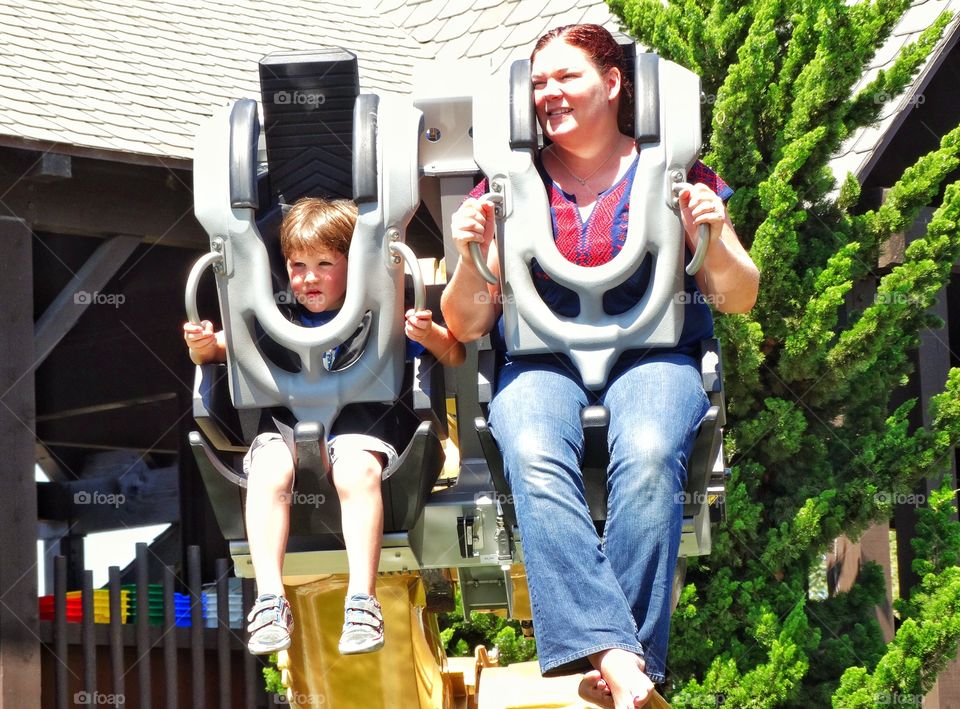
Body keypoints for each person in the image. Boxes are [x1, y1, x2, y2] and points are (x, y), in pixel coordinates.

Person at [440, 24, 759, 709]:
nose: (547, 93)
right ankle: (625, 663)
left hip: (654, 354)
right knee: (527, 444)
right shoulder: (497, 184)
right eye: (538, 83)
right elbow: (465, 324)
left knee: (647, 450)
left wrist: (715, 234)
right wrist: (470, 256)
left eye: (566, 77)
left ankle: (613, 661)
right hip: (541, 361)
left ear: (613, 83)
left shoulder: (678, 171)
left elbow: (738, 297)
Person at [184, 197, 465, 656]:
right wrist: (199, 345)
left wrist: (426, 333)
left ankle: (362, 599)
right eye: (297, 265)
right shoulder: (277, 318)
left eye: (323, 263)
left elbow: (452, 354)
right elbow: (219, 350)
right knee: (268, 469)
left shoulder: (382, 314)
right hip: (289, 425)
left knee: (356, 471)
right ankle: (270, 598)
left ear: (354, 266)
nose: (308, 277)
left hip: (363, 424)